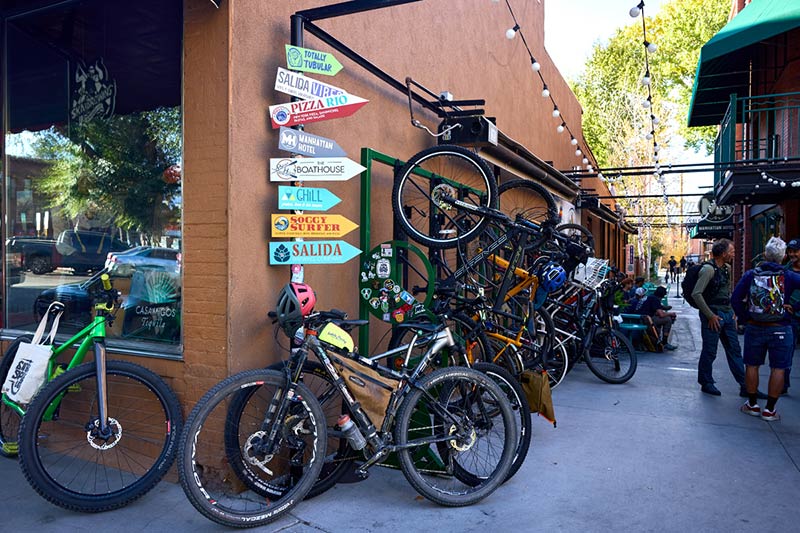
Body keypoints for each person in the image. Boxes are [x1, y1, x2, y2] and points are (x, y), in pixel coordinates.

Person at [732, 237, 800, 421]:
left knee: (752, 365)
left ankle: (752, 405)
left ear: (765, 254)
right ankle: (770, 410)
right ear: (783, 257)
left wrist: (746, 318)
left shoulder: (750, 275)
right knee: (778, 368)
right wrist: (795, 307)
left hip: (755, 327)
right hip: (781, 328)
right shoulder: (790, 276)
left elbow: (735, 299)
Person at [693, 238, 761, 398]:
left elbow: (726, 292)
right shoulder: (708, 270)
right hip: (713, 314)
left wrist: (732, 313)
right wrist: (710, 315)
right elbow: (696, 293)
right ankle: (706, 382)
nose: (733, 254)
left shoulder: (727, 268)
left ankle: (746, 386)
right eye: (731, 251)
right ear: (723, 253)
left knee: (734, 350)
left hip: (727, 314)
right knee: (710, 351)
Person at [783, 237, 800, 394]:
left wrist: (795, 306)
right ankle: (783, 385)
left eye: (795, 251)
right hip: (792, 318)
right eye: (790, 251)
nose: (792, 254)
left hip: (795, 310)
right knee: (787, 351)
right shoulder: (786, 268)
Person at [638, 286, 677, 350]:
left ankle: (661, 339)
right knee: (668, 320)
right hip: (647, 319)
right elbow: (661, 314)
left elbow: (656, 308)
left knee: (663, 318)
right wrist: (671, 313)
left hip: (643, 317)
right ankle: (665, 342)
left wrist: (665, 308)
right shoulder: (655, 299)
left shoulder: (651, 297)